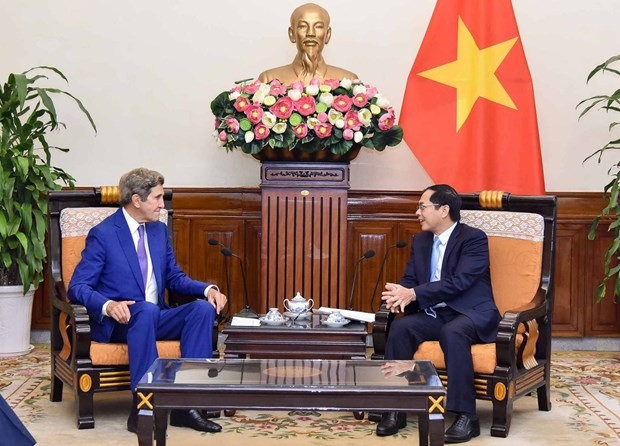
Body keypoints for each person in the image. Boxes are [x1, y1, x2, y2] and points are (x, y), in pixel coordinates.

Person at [68, 167, 227, 434]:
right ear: (137, 200)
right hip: (123, 322)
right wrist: (108, 305)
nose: (162, 204)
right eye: (157, 197)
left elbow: (174, 277)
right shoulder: (104, 234)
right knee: (144, 311)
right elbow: (78, 286)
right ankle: (144, 407)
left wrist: (207, 289)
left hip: (156, 316)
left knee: (200, 310)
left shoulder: (157, 230)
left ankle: (186, 407)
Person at [377, 184, 501, 443]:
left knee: (453, 331)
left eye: (422, 207)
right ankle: (396, 407)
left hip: (470, 312)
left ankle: (467, 416)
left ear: (444, 210)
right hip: (436, 313)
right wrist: (401, 295)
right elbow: (411, 279)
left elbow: (461, 281)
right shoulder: (420, 241)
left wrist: (415, 293)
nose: (417, 213)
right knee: (401, 328)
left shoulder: (474, 238)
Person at [258, 3, 358, 85]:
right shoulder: (268, 80)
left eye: (318, 26)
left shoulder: (348, 81)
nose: (311, 33)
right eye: (303, 26)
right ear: (292, 34)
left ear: (327, 34)